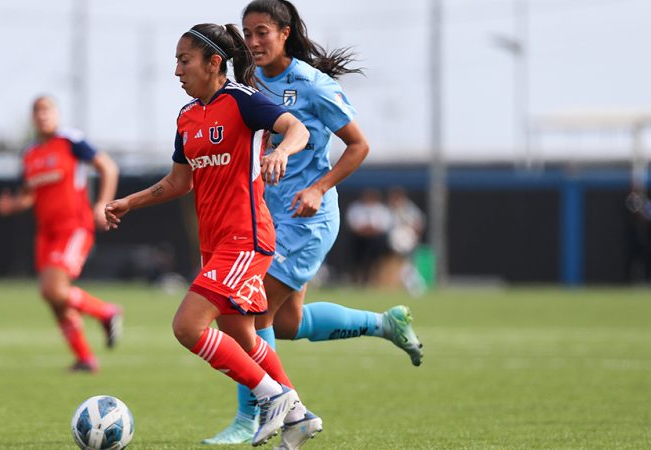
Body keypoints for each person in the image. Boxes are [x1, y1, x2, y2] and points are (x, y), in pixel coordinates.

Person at [203, 1, 424, 447]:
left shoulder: (311, 84)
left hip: (307, 219)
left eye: (262, 31)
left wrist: (318, 188)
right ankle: (385, 323)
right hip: (267, 217)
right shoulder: (249, 80)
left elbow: (359, 146)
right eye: (248, 33)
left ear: (285, 33)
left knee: (249, 309)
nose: (254, 41)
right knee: (285, 324)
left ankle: (255, 415)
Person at [104, 23, 315, 447]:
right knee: (241, 335)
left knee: (187, 326)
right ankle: (299, 416)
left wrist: (279, 150)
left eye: (185, 61)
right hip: (216, 244)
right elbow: (179, 182)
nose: (177, 71)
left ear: (214, 62)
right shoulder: (186, 117)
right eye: (176, 62)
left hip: (246, 238)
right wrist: (132, 201)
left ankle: (272, 397)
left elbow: (298, 130)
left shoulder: (243, 101)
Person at [0, 96, 123, 373]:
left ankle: (105, 312)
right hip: (46, 233)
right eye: (37, 112)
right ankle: (85, 359)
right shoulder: (30, 154)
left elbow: (109, 167)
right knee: (53, 298)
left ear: (56, 114)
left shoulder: (71, 141)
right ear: (32, 118)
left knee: (53, 289)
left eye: (47, 110)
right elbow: (28, 196)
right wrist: (13, 205)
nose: (42, 116)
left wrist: (102, 204)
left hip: (74, 227)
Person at [346, 188, 392, 284]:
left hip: (376, 240)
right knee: (357, 252)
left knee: (378, 248)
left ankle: (374, 277)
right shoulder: (356, 207)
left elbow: (385, 225)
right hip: (359, 239)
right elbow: (352, 224)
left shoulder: (381, 209)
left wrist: (373, 230)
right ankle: (356, 277)